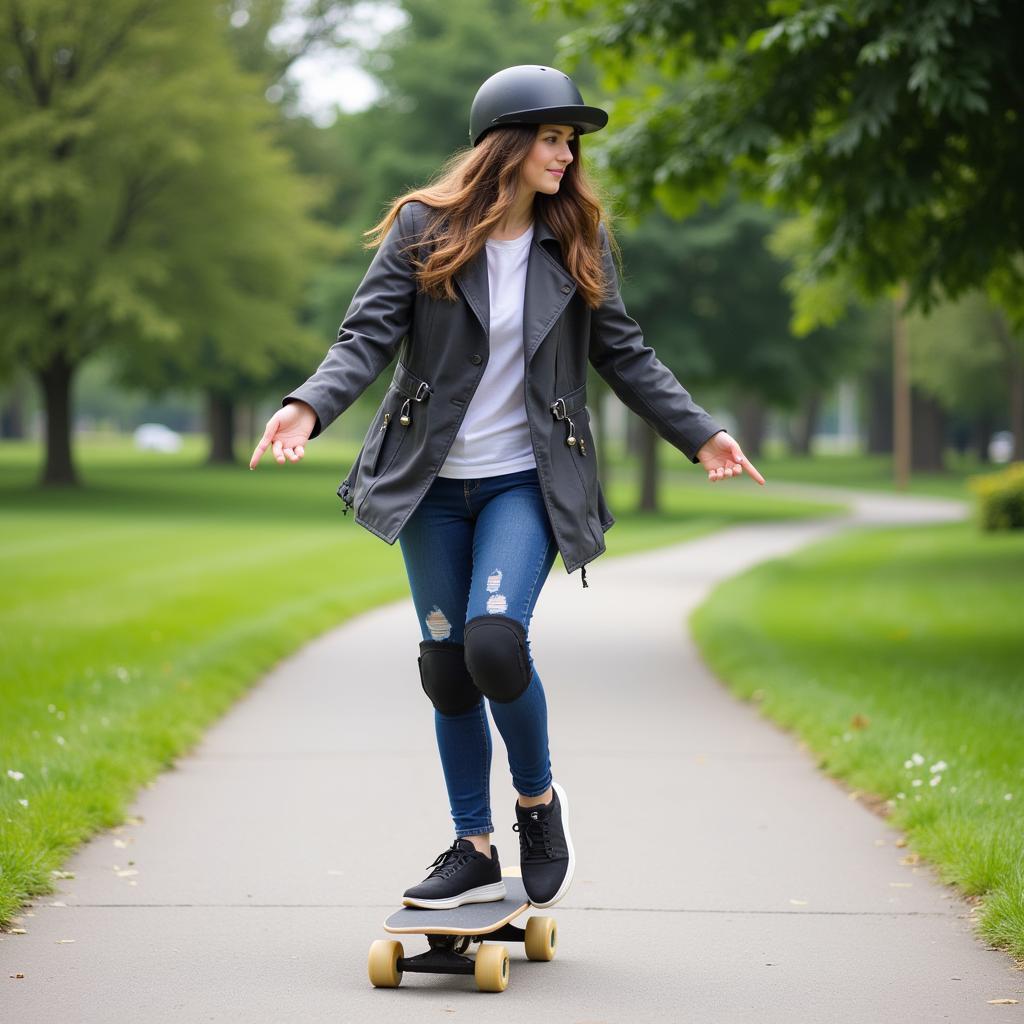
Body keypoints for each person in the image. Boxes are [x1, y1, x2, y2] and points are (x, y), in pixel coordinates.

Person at [250, 64, 765, 913]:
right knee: (446, 668)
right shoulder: (425, 227)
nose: (567, 155)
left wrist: (700, 431)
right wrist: (308, 405)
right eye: (553, 139)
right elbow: (366, 334)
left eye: (571, 142)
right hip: (429, 485)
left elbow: (623, 351)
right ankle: (473, 845)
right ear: (508, 144)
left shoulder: (577, 240)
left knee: (494, 645)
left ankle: (536, 805)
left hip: (525, 482)